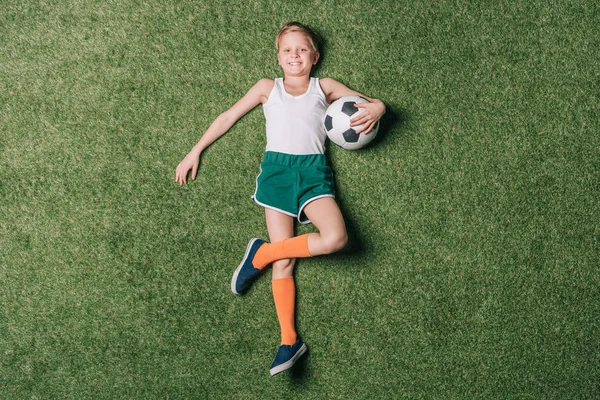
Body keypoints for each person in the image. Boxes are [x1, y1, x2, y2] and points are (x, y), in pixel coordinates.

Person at [175, 21, 385, 376]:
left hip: (314, 174)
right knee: (285, 263)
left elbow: (369, 103)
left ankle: (262, 254)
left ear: (315, 57)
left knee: (336, 238)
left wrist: (378, 107)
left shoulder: (326, 87)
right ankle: (289, 340)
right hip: (276, 174)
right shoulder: (266, 88)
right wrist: (194, 150)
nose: (294, 56)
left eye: (302, 49)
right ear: (278, 56)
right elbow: (228, 117)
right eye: (287, 50)